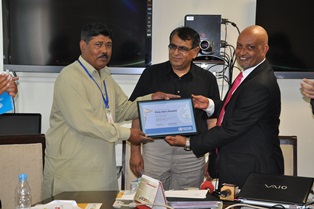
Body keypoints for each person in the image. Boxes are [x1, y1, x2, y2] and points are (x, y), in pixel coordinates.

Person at [42, 22, 178, 198]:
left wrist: (150, 99)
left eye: (108, 45)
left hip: (100, 170)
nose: (104, 51)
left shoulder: (104, 75)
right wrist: (128, 134)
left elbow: (121, 109)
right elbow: (86, 124)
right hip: (72, 172)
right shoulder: (70, 77)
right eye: (98, 45)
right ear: (83, 46)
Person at [165, 25, 284, 189]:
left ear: (264, 49)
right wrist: (210, 105)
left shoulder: (260, 83)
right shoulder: (251, 75)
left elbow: (231, 128)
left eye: (250, 47)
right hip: (240, 164)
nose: (242, 52)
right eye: (239, 45)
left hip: (252, 169)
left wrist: (188, 141)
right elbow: (235, 109)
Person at [129, 26, 220, 190]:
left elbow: (212, 120)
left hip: (190, 152)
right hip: (155, 150)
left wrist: (212, 157)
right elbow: (137, 112)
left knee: (187, 201)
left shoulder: (207, 79)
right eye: (173, 46)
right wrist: (135, 151)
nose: (176, 52)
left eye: (183, 48)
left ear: (195, 51)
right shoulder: (151, 74)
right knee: (152, 198)